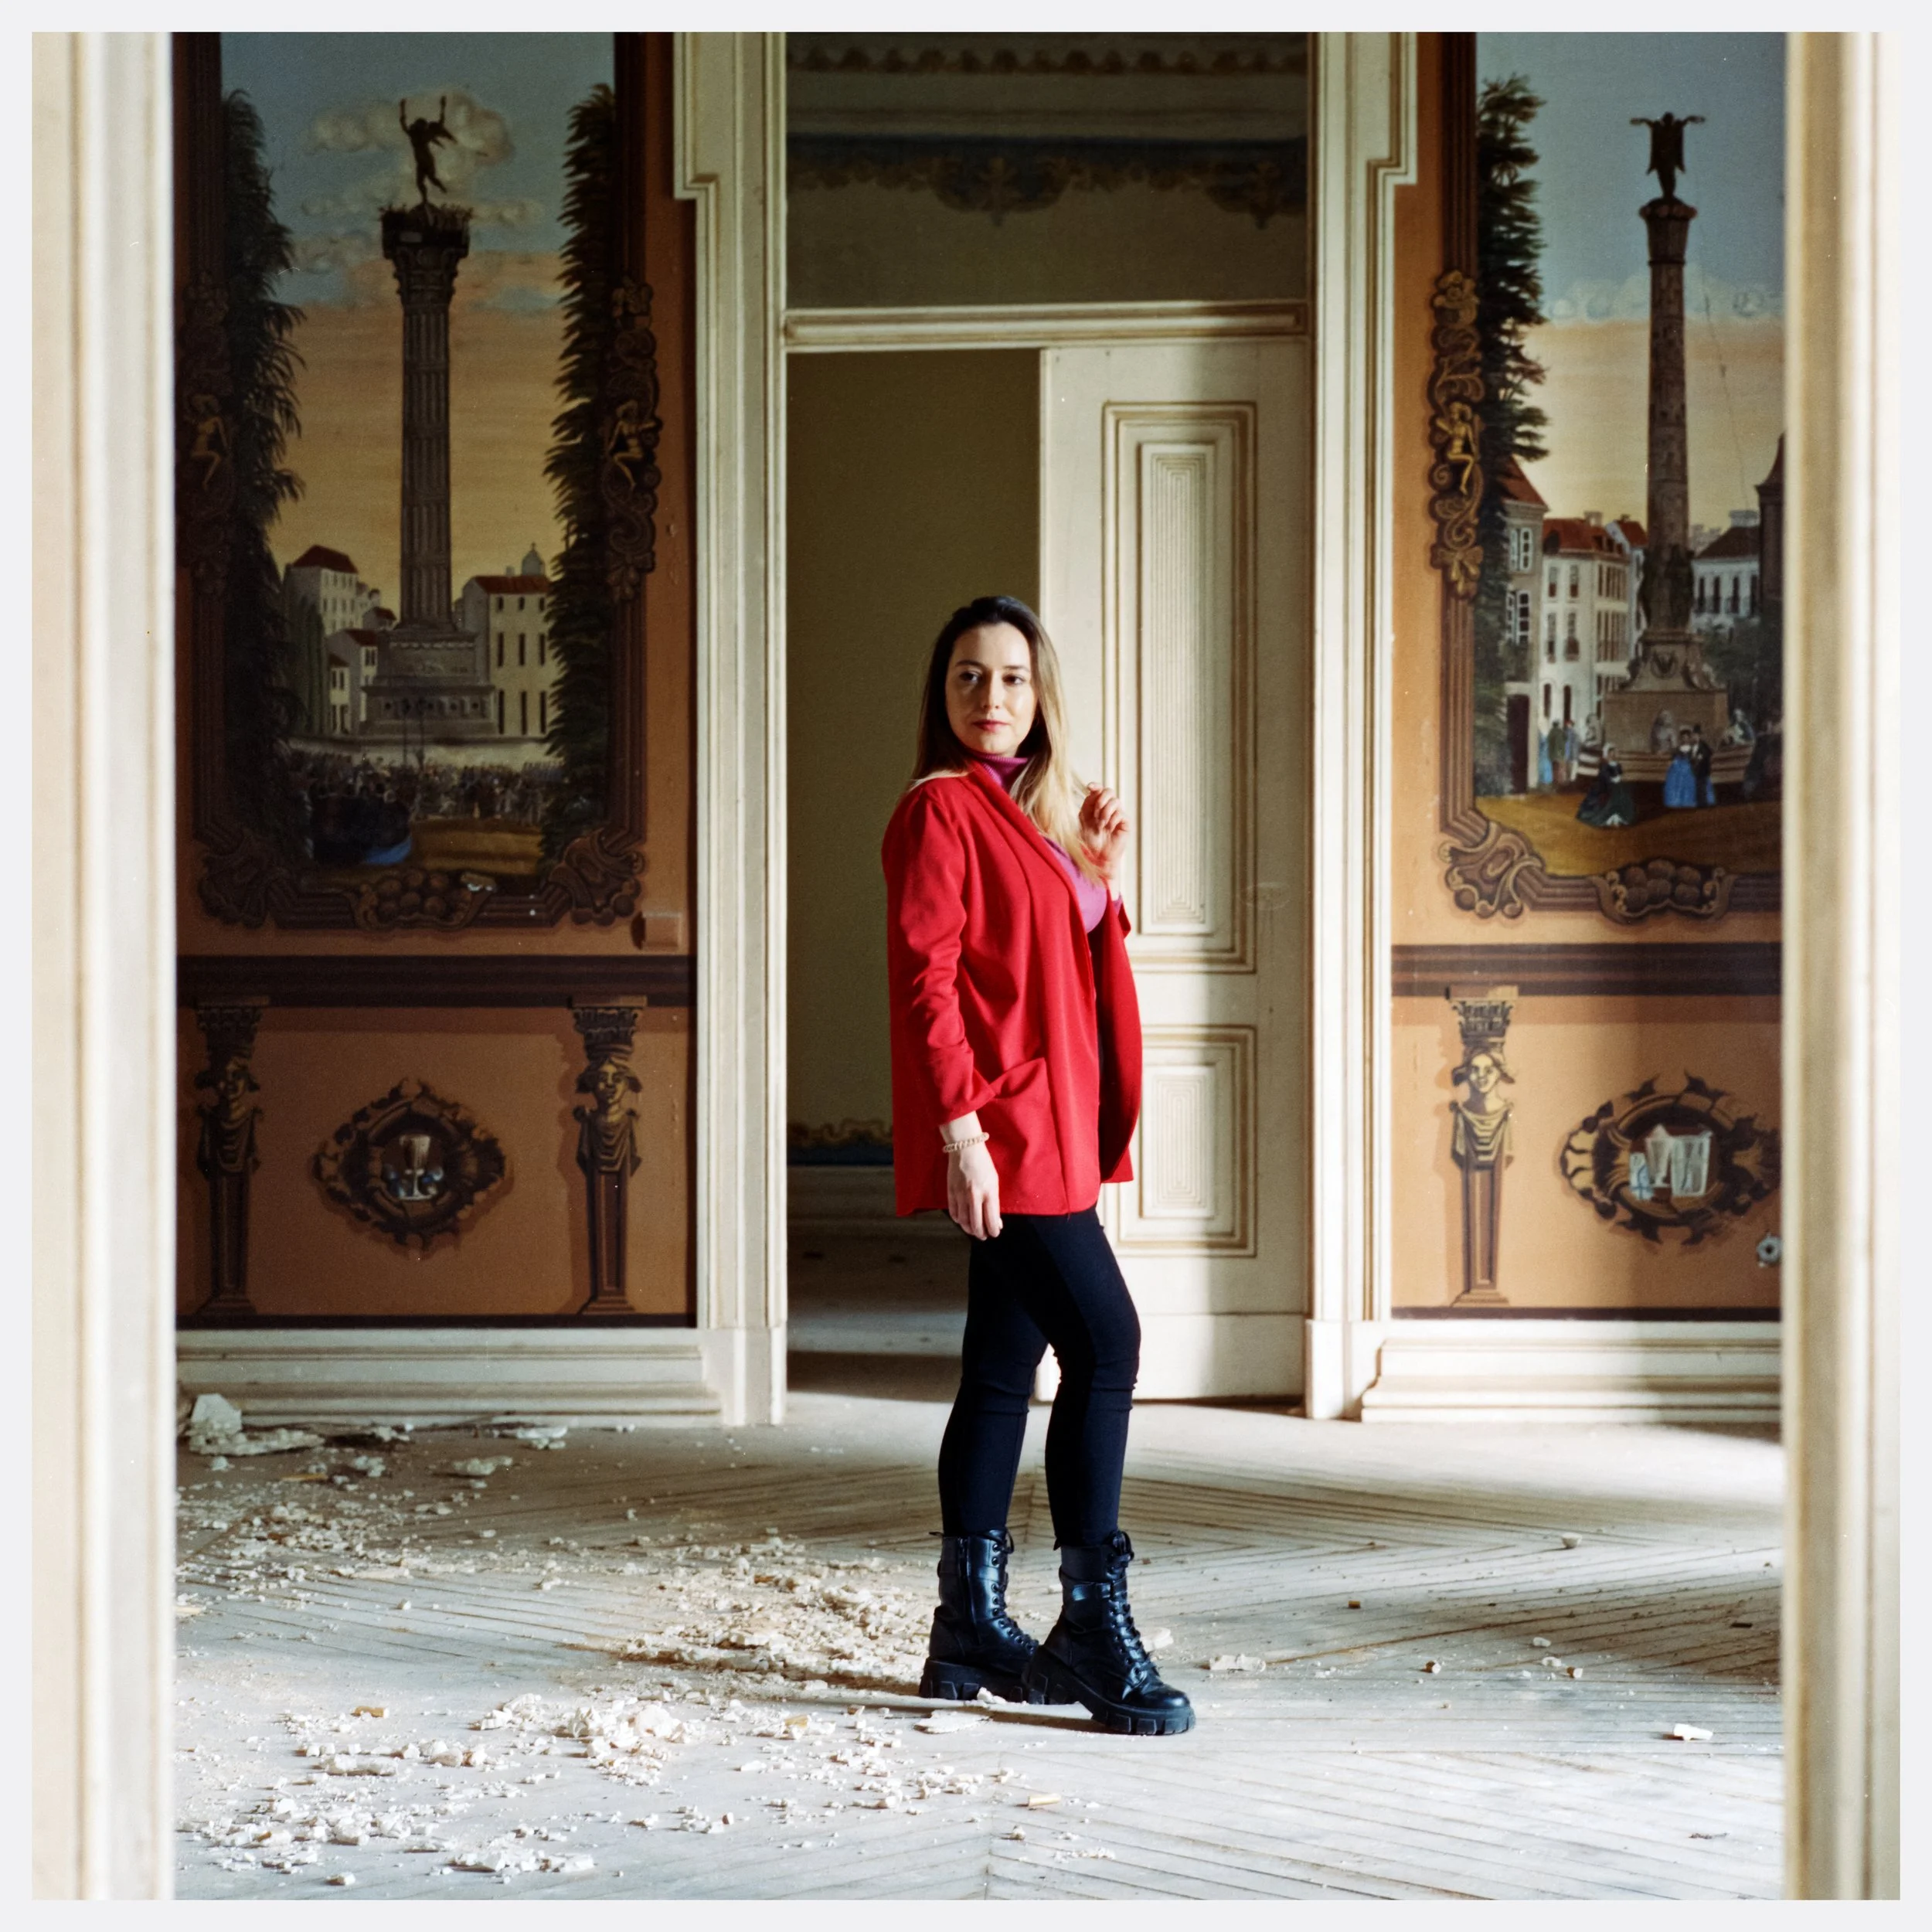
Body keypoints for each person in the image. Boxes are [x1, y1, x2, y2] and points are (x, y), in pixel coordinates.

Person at [882, 594, 1194, 1738]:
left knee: (1003, 1373)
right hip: (1006, 1133)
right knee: (1108, 1341)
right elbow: (929, 983)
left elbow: (1061, 965)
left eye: (1011, 679)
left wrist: (1097, 877)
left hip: (1053, 1127)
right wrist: (962, 1135)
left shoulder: (1032, 815)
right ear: (943, 693)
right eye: (969, 677)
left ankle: (965, 1629)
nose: (991, 698)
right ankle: (1090, 1626)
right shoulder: (940, 813)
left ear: (1040, 695)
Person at [1576, 743, 1638, 828]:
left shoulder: (1617, 765)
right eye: (1610, 754)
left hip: (1617, 785)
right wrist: (1613, 780)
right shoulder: (1604, 765)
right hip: (1605, 785)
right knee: (1608, 798)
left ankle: (1619, 817)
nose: (1612, 755)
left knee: (1623, 794)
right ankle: (1608, 818)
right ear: (1607, 755)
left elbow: (1620, 774)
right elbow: (1605, 777)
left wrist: (1618, 779)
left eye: (1613, 753)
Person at [1662, 726, 1699, 808]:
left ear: (1689, 738)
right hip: (1678, 768)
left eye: (1687, 738)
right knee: (1674, 776)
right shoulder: (1677, 749)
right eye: (1683, 738)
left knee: (1688, 777)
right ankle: (1676, 801)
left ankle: (1688, 802)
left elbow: (1695, 760)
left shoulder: (1693, 749)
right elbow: (1672, 759)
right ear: (1681, 739)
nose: (1685, 740)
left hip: (1689, 768)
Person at [1689, 723, 1716, 805]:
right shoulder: (1692, 746)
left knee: (1702, 787)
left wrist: (1702, 756)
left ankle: (1703, 803)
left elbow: (1710, 752)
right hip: (1696, 769)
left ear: (1699, 736)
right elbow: (1690, 756)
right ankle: (1699, 802)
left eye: (1696, 735)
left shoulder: (1703, 744)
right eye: (1693, 735)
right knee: (1697, 786)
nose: (1694, 737)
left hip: (1703, 769)